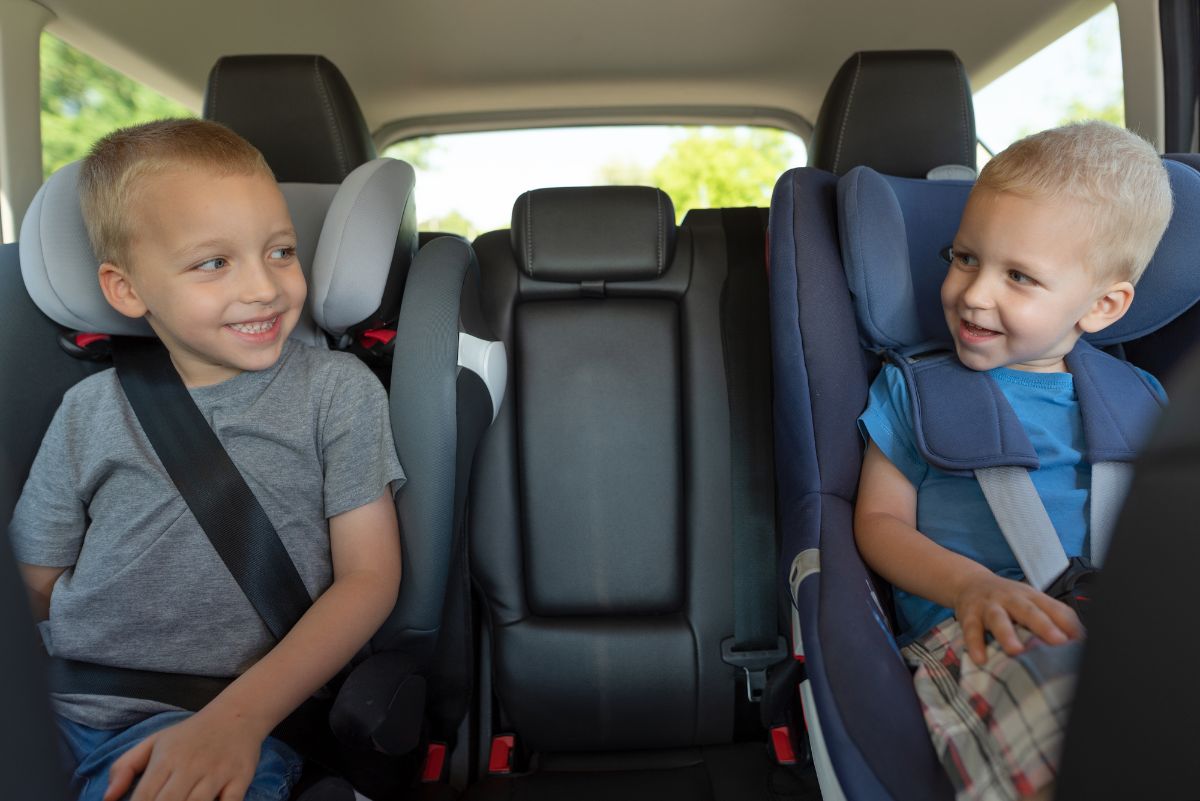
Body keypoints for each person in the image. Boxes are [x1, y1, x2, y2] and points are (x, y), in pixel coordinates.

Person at [8, 118, 405, 801]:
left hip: (224, 714)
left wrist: (237, 721)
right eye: (213, 262)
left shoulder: (337, 392)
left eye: (281, 251)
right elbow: (36, 577)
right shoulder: (88, 408)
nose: (264, 288)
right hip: (59, 702)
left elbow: (368, 579)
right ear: (127, 289)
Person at [853, 121, 1173, 801]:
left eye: (1019, 276)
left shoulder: (1143, 399)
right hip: (974, 628)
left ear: (1103, 305)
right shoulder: (914, 390)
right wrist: (971, 586)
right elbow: (879, 522)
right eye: (964, 256)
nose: (973, 293)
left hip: (1123, 633)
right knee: (1072, 725)